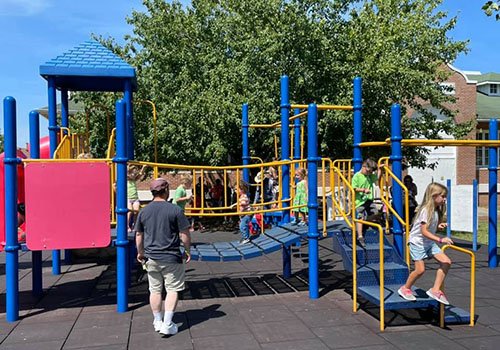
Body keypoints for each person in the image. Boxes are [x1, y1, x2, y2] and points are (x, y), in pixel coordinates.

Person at [135, 178, 192, 336]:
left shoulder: (144, 211)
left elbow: (139, 235)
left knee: (154, 290)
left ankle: (157, 320)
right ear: (166, 190)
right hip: (171, 256)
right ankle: (167, 323)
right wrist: (187, 251)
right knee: (172, 289)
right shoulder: (175, 210)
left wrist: (140, 253)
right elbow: (184, 233)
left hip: (151, 257)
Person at [398, 182, 453, 305]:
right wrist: (440, 239)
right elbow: (423, 231)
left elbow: (429, 227)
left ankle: (435, 290)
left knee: (446, 262)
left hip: (428, 243)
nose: (444, 199)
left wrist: (438, 225)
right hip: (417, 243)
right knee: (420, 270)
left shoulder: (435, 210)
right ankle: (405, 288)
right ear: (433, 196)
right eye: (442, 196)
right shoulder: (425, 210)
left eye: (445, 197)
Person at [352, 158, 384, 247]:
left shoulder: (369, 176)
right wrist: (363, 190)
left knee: (377, 213)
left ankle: (365, 222)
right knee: (360, 217)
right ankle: (360, 236)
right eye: (368, 171)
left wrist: (380, 170)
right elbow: (354, 188)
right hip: (360, 201)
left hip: (369, 200)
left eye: (370, 172)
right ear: (363, 166)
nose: (369, 173)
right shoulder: (357, 176)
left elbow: (377, 178)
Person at [127, 164, 147, 232]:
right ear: (129, 173)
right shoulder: (126, 179)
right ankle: (127, 226)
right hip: (128, 198)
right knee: (130, 211)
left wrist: (143, 168)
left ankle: (135, 225)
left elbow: (141, 174)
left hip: (135, 198)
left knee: (137, 211)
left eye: (135, 173)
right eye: (132, 173)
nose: (134, 175)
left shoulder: (134, 180)